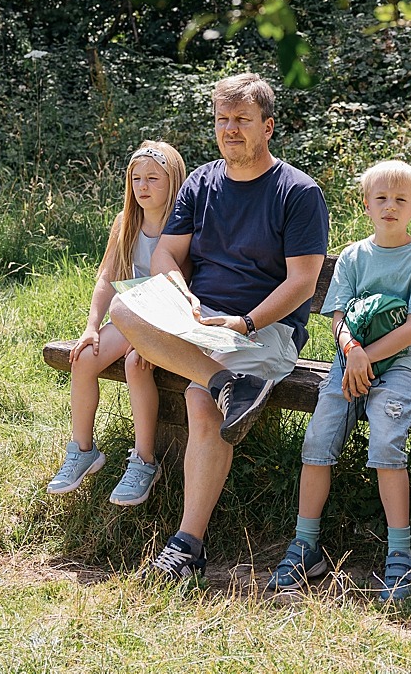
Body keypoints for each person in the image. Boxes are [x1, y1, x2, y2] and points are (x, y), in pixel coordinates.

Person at [107, 73, 329, 582]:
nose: (230, 130)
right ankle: (227, 381)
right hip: (200, 321)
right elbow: (167, 253)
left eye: (241, 120)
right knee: (125, 310)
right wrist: (181, 295)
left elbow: (302, 283)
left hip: (263, 329)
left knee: (198, 403)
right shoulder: (202, 182)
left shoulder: (298, 192)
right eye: (222, 120)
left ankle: (187, 547)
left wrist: (246, 320)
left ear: (267, 127)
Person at [265, 160, 411, 604]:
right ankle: (306, 546)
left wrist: (366, 356)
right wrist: (352, 352)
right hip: (348, 364)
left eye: (401, 200)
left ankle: (400, 556)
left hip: (399, 368)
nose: (390, 207)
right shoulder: (353, 256)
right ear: (366, 204)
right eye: (381, 198)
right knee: (317, 441)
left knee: (385, 443)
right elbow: (338, 316)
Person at [47, 140, 190, 506]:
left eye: (153, 178)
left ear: (172, 180)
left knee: (136, 365)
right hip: (126, 316)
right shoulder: (126, 222)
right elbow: (107, 277)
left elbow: (186, 285)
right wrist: (92, 325)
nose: (142, 186)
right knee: (83, 358)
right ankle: (83, 450)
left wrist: (158, 337)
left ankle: (144, 461)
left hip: (164, 320)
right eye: (136, 178)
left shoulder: (184, 225)